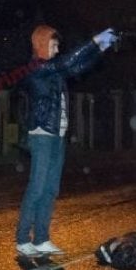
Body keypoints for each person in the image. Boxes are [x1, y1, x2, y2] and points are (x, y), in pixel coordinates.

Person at [15, 24, 116, 257]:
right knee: (37, 187)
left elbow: (78, 65)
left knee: (51, 189)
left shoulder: (54, 71)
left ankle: (41, 239)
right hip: (42, 135)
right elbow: (67, 61)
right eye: (54, 45)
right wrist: (94, 41)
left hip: (57, 135)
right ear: (42, 44)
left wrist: (100, 49)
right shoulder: (36, 68)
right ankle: (22, 239)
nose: (58, 49)